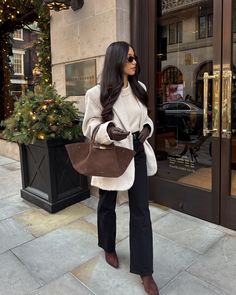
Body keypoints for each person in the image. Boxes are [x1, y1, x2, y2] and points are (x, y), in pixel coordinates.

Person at [82, 41, 159, 295]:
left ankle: (145, 270)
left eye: (135, 57)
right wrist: (107, 131)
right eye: (129, 58)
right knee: (107, 203)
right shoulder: (97, 93)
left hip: (136, 152)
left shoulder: (140, 88)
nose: (135, 61)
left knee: (141, 211)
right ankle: (108, 245)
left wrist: (147, 128)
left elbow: (145, 117)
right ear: (116, 60)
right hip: (112, 154)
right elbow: (89, 125)